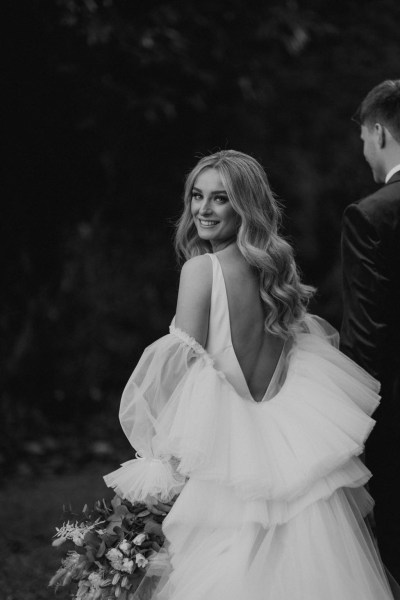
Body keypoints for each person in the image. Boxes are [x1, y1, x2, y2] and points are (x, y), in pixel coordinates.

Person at [105, 150, 397, 599]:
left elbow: (181, 371)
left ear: (245, 206)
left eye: (219, 198)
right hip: (289, 442)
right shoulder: (274, 273)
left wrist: (164, 457)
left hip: (230, 449)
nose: (203, 209)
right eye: (197, 197)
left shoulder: (201, 270)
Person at [340, 79, 400, 584]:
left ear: (379, 132)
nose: (364, 150)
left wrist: (347, 423)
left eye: (363, 137)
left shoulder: (373, 216)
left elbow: (367, 336)